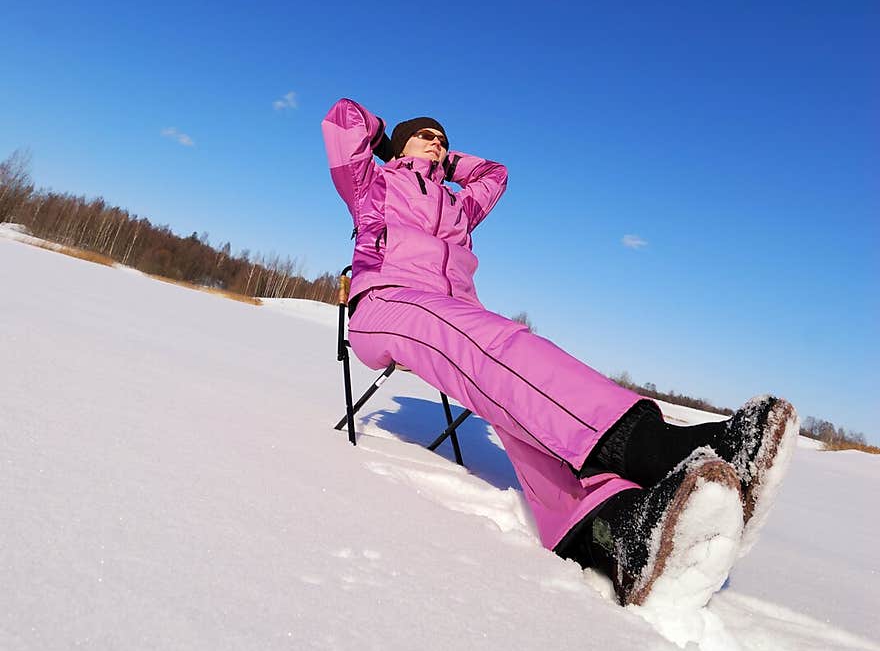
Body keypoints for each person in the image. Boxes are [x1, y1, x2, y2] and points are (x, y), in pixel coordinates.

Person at [321, 98, 798, 609]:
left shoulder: (457, 206)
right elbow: (343, 119)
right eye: (427, 136)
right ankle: (655, 448)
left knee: (517, 400)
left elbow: (495, 175)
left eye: (443, 137)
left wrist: (448, 162)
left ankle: (618, 534)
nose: (437, 143)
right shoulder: (375, 185)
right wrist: (386, 141)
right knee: (498, 348)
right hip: (389, 305)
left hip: (458, 317)